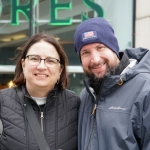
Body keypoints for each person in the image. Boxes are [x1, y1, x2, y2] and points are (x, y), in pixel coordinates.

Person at [74, 17, 150, 150]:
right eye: (85, 52)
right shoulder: (86, 95)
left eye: (100, 47)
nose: (95, 59)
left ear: (114, 49)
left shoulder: (145, 89)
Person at [0, 33, 80, 150]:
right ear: (23, 64)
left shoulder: (75, 105)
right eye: (34, 59)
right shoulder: (2, 102)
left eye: (50, 61)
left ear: (60, 70)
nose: (42, 66)